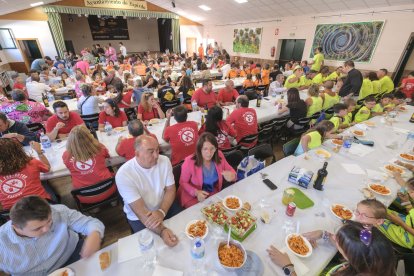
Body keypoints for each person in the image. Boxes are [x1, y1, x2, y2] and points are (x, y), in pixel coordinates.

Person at [0, 196, 104, 275]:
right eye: (37, 228)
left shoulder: (58, 211)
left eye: (49, 221)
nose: (47, 229)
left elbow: (90, 223)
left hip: (72, 257)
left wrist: (94, 235)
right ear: (16, 227)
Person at [115, 135, 180, 247]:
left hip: (163, 206)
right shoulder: (124, 174)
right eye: (151, 152)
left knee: (185, 229)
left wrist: (161, 211)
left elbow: (170, 189)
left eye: (157, 150)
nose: (156, 155)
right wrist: (162, 231)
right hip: (139, 216)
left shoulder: (164, 161)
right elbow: (140, 211)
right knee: (153, 247)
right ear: (137, 154)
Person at [267, 220, 396, 276]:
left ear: (353, 256)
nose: (333, 238)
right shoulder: (374, 261)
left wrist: (288, 267)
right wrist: (324, 234)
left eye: (337, 240)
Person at [178, 132, 236, 208]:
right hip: (192, 196)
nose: (209, 153)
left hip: (212, 193)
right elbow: (183, 182)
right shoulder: (189, 162)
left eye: (212, 148)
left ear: (216, 148)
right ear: (199, 149)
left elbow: (232, 172)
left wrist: (232, 176)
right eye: (205, 149)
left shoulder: (219, 154)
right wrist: (196, 192)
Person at [62, 126, 116, 204]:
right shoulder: (99, 147)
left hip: (85, 195)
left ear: (70, 140)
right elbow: (107, 155)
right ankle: (113, 201)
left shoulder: (66, 155)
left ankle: (94, 208)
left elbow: (69, 167)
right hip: (109, 187)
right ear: (90, 136)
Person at [0, 139, 50, 210]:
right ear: (19, 150)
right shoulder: (32, 163)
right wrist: (39, 152)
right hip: (40, 207)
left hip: (14, 214)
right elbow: (47, 168)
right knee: (48, 187)